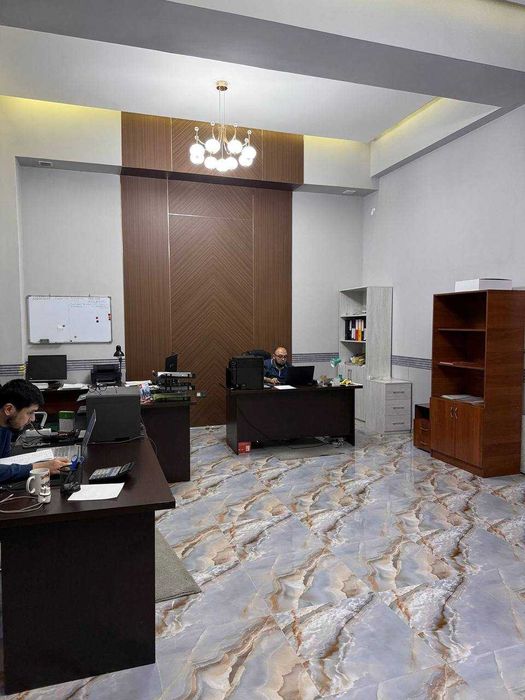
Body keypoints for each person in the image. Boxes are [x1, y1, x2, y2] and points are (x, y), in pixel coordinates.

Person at [0, 379, 69, 483]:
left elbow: (4, 462)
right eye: (30, 412)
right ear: (9, 409)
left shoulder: (7, 424)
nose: (33, 419)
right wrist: (39, 467)